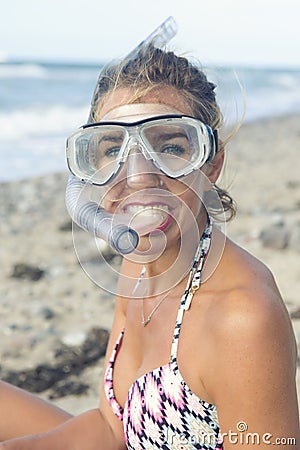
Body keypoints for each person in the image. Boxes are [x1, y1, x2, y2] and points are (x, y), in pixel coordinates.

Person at [0, 31, 299, 450]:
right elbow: (111, 427)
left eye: (172, 147)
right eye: (111, 149)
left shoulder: (243, 320)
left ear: (210, 165)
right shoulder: (137, 264)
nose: (138, 176)